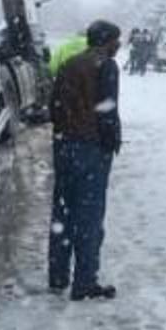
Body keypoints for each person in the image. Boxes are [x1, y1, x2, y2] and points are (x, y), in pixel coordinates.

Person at [48, 20, 123, 301]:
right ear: (106, 41)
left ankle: (57, 276)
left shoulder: (69, 64)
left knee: (63, 213)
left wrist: (65, 134)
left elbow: (53, 106)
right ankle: (84, 282)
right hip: (91, 149)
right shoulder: (106, 66)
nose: (120, 45)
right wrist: (111, 142)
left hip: (64, 146)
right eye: (117, 39)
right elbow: (107, 111)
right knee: (89, 217)